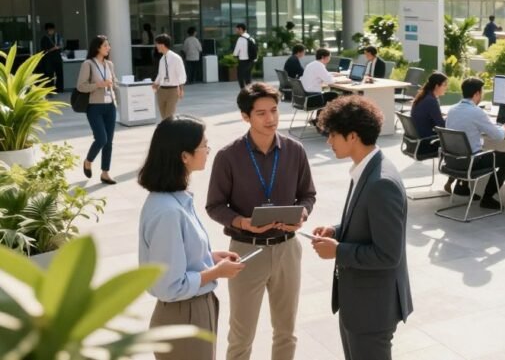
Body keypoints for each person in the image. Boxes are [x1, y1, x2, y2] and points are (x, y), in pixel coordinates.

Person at [206, 83, 318, 360]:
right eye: (261, 113)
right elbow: (215, 206)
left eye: (274, 111)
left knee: (286, 330)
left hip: (287, 249)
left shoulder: (295, 150)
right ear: (246, 117)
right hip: (246, 251)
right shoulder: (228, 156)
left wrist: (302, 214)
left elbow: (308, 195)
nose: (271, 119)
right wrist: (243, 222)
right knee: (241, 334)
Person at [311, 96, 413, 359]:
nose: (328, 142)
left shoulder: (381, 183)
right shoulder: (367, 169)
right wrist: (336, 230)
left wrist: (338, 251)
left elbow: (388, 254)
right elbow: (367, 222)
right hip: (358, 304)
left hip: (372, 310)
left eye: (333, 135)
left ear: (352, 136)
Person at [138, 115, 245, 360]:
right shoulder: (168, 211)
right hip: (183, 314)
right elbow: (171, 285)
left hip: (192, 310)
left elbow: (175, 258)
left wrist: (209, 257)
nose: (208, 151)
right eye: (203, 146)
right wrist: (217, 272)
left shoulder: (175, 199)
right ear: (184, 156)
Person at [444, 77, 505, 209]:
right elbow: (498, 136)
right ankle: (487, 198)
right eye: (481, 93)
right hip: (470, 163)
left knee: (473, 146)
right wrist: (504, 128)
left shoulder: (452, 110)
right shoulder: (477, 112)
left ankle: (461, 187)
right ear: (476, 94)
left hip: (451, 162)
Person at [77, 35, 118, 185]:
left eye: (108, 45)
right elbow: (81, 86)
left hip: (110, 106)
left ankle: (105, 173)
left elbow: (114, 82)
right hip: (95, 107)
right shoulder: (88, 64)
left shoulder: (110, 64)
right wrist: (99, 85)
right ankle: (88, 161)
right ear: (97, 48)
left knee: (109, 142)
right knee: (102, 138)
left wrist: (114, 84)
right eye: (106, 45)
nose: (109, 48)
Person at [153, 34, 188, 120]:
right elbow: (161, 74)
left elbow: (181, 74)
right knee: (163, 116)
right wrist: (156, 83)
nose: (156, 46)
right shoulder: (162, 59)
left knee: (169, 117)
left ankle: (169, 132)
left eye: (157, 44)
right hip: (161, 91)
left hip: (172, 90)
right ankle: (166, 132)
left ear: (162, 44)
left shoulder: (176, 58)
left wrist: (181, 89)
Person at [39, 22, 63, 92]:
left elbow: (61, 45)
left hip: (57, 57)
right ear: (47, 30)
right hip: (48, 58)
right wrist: (52, 49)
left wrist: (59, 47)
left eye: (52, 30)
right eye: (50, 30)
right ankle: (50, 89)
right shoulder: (44, 38)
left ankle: (59, 88)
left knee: (59, 73)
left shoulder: (57, 36)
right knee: (49, 74)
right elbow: (44, 50)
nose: (51, 31)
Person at [232, 23, 255, 88]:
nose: (236, 31)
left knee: (240, 77)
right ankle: (250, 91)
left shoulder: (240, 39)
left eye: (237, 29)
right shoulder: (251, 38)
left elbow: (236, 51)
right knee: (248, 77)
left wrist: (234, 56)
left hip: (243, 61)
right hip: (251, 61)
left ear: (241, 29)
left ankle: (243, 90)